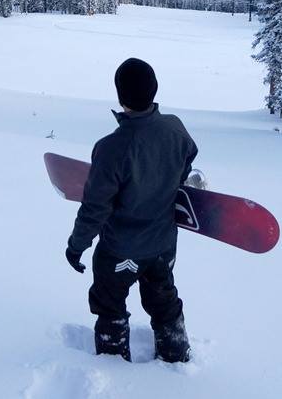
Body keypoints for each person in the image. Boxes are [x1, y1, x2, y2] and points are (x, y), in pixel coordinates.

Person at [64, 57, 198, 363]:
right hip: (163, 246)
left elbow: (95, 207)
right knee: (163, 300)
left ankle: (112, 366)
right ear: (154, 90)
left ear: (120, 96)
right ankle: (176, 354)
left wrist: (77, 246)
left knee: (109, 303)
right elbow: (188, 157)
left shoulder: (111, 148)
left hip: (119, 250)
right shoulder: (176, 129)